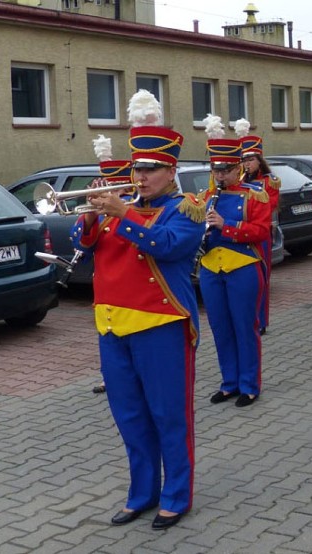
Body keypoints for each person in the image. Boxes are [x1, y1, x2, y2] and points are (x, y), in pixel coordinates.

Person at [71, 90, 204, 530]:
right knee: (130, 417)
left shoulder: (185, 210)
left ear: (171, 171)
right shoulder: (114, 209)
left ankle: (176, 494)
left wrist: (124, 212)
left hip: (161, 325)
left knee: (169, 414)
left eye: (151, 169)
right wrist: (91, 218)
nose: (141, 176)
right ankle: (141, 492)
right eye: (137, 168)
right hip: (112, 326)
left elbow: (167, 247)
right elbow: (84, 245)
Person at [199, 114, 272, 407]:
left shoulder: (255, 196)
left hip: (242, 266)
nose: (220, 175)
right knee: (220, 327)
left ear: (238, 167)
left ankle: (250, 384)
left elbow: (261, 232)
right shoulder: (204, 196)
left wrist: (224, 225)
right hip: (209, 269)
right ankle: (229, 382)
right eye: (216, 170)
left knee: (245, 326)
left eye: (225, 170)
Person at [89, 134, 133, 396]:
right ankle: (108, 377)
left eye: (112, 188)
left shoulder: (131, 210)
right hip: (104, 290)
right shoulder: (100, 213)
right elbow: (81, 242)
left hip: (127, 287)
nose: (107, 193)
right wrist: (90, 215)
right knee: (107, 334)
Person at [238, 120, 281, 334]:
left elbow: (270, 205)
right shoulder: (237, 180)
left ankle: (261, 320)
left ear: (259, 160)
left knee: (261, 278)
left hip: (260, 233)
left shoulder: (269, 181)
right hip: (240, 233)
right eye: (244, 159)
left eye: (251, 159)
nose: (247, 163)